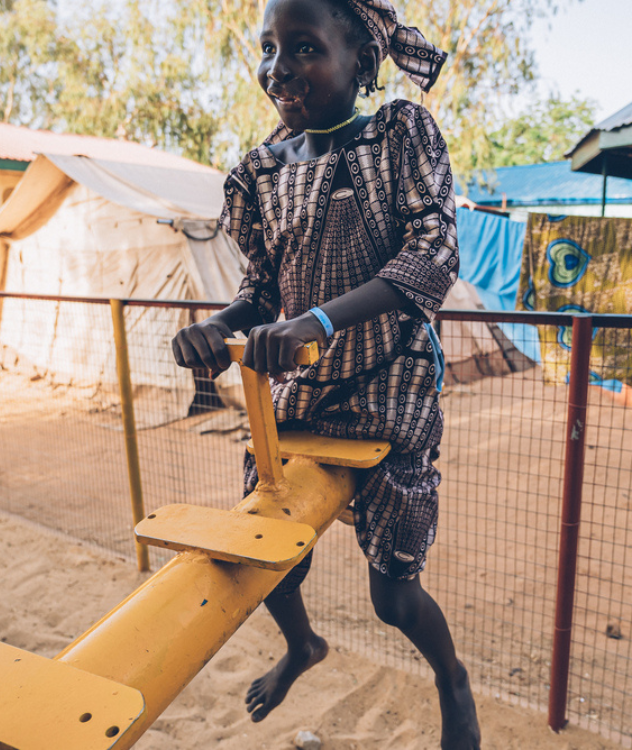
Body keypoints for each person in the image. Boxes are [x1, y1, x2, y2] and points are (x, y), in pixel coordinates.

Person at [171, 0, 480, 746]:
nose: (279, 68)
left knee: (394, 598)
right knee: (271, 561)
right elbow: (262, 292)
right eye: (270, 48)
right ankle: (302, 646)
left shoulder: (398, 135)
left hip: (388, 388)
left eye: (303, 48)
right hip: (298, 397)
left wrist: (320, 321)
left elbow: (433, 253)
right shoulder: (261, 172)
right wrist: (220, 327)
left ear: (361, 63)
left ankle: (452, 680)